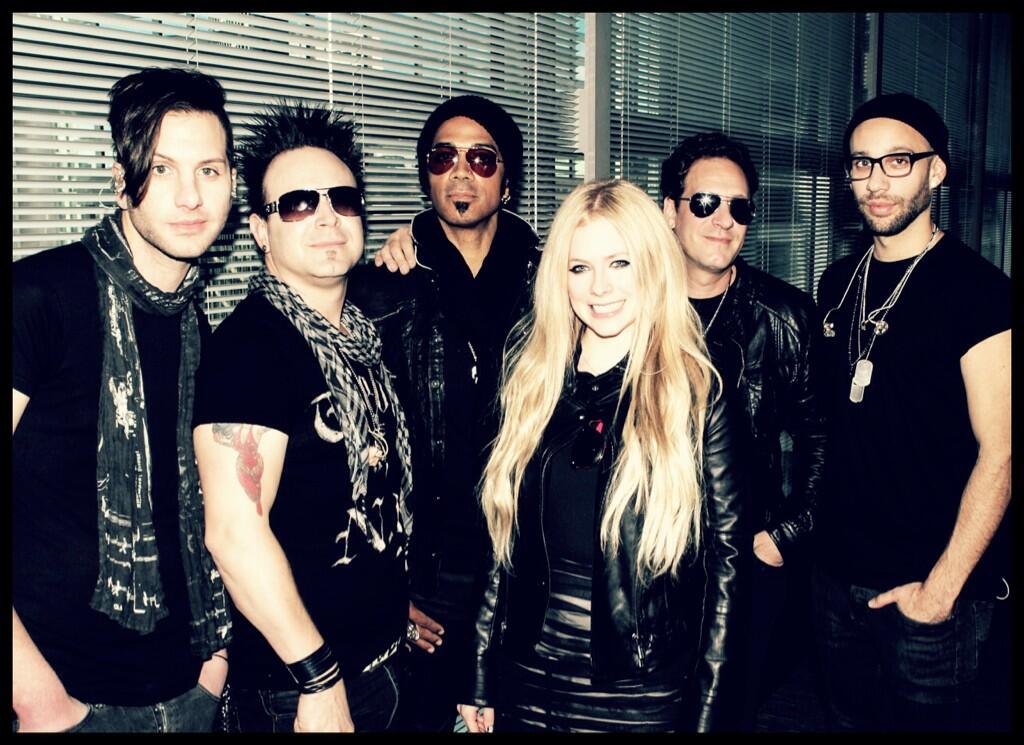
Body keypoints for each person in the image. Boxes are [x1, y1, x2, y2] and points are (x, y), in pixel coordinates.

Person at [455, 178, 749, 733]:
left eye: (619, 263)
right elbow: (499, 544)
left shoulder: (696, 390)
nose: (599, 287)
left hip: (639, 686)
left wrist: (708, 712)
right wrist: (478, 674)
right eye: (579, 267)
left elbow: (728, 568)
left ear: (651, 266)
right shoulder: (532, 379)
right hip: (527, 676)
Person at [12, 66, 234, 733]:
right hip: (69, 701)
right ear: (121, 178)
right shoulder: (38, 297)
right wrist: (40, 702)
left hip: (188, 689)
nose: (190, 196)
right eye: (162, 169)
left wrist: (214, 668)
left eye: (210, 170)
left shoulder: (196, 323)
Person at [192, 101, 412, 733]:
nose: (325, 218)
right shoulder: (251, 349)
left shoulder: (366, 338)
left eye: (342, 200)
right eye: (296, 204)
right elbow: (234, 534)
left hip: (385, 664)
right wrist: (319, 677)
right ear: (260, 230)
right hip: (301, 688)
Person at [813, 93, 1011, 731]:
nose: (876, 181)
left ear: (937, 170)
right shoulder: (837, 281)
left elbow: (1002, 452)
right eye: (861, 163)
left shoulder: (979, 293)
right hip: (836, 579)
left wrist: (940, 591)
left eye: (898, 161)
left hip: (930, 590)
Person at [347, 95, 540, 732]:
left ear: (507, 181)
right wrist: (384, 589)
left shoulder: (552, 285)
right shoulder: (380, 289)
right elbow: (355, 459)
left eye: (481, 158)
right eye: (443, 157)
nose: (461, 172)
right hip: (427, 566)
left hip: (525, 556)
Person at [660, 132, 827, 728]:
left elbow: (824, 439)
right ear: (670, 211)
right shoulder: (628, 306)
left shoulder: (784, 316)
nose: (724, 220)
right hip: (651, 559)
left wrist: (786, 533)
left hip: (746, 560)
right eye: (706, 202)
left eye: (739, 207)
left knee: (731, 712)